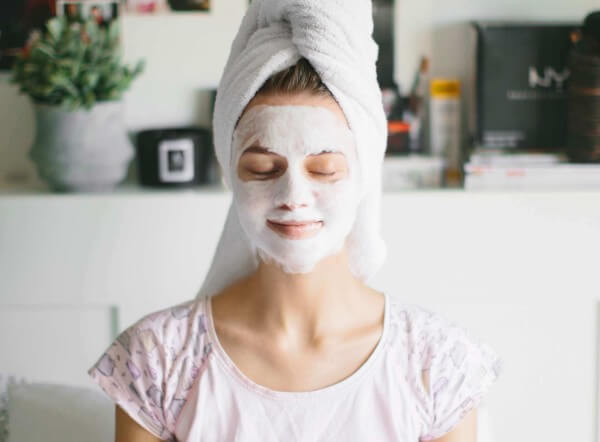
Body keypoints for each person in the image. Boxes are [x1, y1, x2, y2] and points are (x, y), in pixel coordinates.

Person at [88, 2, 502, 441]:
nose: (293, 197)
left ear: (363, 175)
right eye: (264, 169)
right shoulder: (157, 360)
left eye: (324, 170)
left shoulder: (437, 364)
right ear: (230, 173)